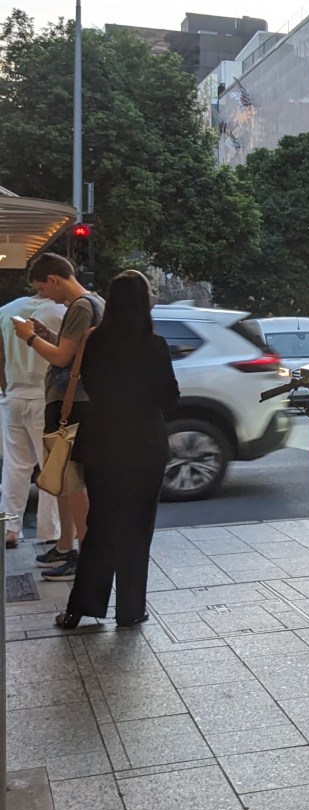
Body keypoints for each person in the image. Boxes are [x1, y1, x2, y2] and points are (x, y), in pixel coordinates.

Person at [49, 270, 178, 629]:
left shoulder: (94, 342)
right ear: (144, 302)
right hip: (145, 448)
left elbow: (88, 385)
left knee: (100, 525)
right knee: (137, 531)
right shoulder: (154, 346)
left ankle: (80, 608)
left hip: (102, 445)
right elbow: (170, 398)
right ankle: (130, 610)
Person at [14, 253, 105, 581]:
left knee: (72, 481)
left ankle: (81, 552)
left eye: (43, 288)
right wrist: (46, 335)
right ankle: (67, 545)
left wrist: (30, 338)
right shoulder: (93, 303)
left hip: (72, 402)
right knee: (64, 481)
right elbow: (74, 352)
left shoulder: (81, 306)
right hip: (78, 400)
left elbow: (63, 357)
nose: (44, 295)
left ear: (54, 279)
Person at [0, 290, 66, 547]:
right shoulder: (60, 312)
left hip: (14, 396)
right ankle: (50, 530)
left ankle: (10, 529)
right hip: (44, 396)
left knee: (15, 466)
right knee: (50, 466)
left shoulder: (6, 310)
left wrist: (6, 387)